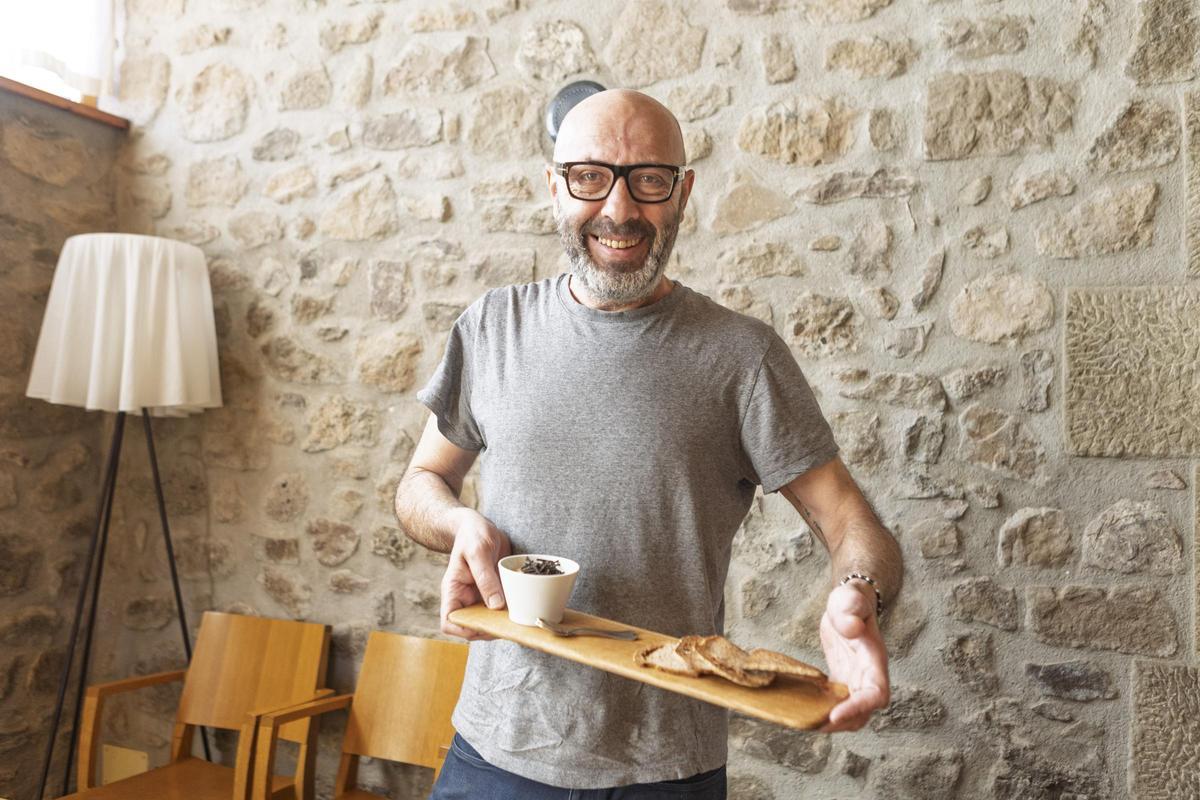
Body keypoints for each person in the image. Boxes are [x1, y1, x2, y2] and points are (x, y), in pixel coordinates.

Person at [395, 88, 903, 800]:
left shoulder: (742, 355)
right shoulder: (491, 327)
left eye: (650, 180)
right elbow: (421, 481)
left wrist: (860, 594)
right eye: (589, 177)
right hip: (496, 750)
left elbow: (849, 522)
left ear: (684, 192)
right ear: (554, 186)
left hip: (666, 770)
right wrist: (457, 522)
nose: (620, 209)